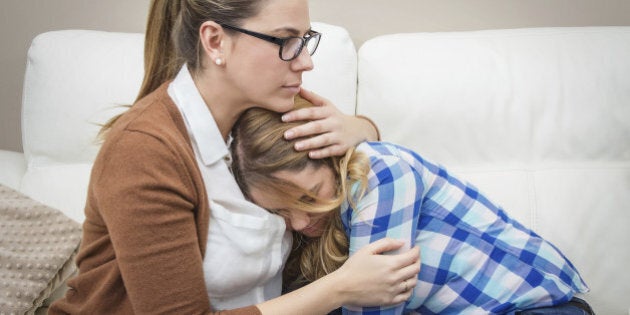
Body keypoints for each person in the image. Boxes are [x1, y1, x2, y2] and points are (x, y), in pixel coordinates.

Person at [49, 0, 422, 314]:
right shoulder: (144, 152)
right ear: (215, 42)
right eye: (286, 40)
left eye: (305, 40)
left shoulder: (260, 117)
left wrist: (361, 129)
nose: (306, 61)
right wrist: (340, 289)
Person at [229, 96, 594, 315]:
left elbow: (375, 307)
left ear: (334, 160)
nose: (298, 222)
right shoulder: (318, 224)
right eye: (279, 211)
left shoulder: (380, 174)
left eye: (308, 197)